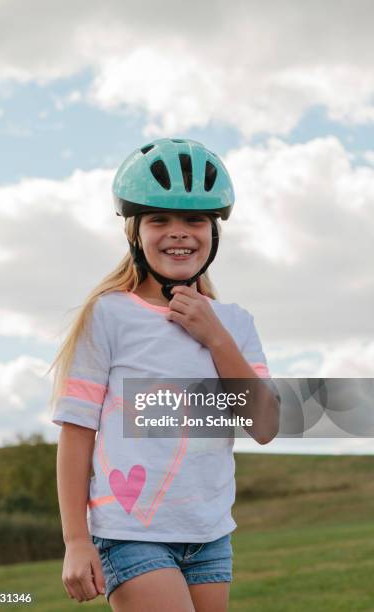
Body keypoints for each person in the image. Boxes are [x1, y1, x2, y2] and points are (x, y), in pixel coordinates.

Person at [48, 138, 280, 611]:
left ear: (214, 232)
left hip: (210, 534)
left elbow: (265, 425)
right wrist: (76, 540)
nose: (179, 232)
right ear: (135, 232)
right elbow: (77, 433)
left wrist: (214, 336)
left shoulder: (235, 322)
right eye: (160, 219)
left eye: (194, 220)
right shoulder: (109, 315)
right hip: (131, 532)